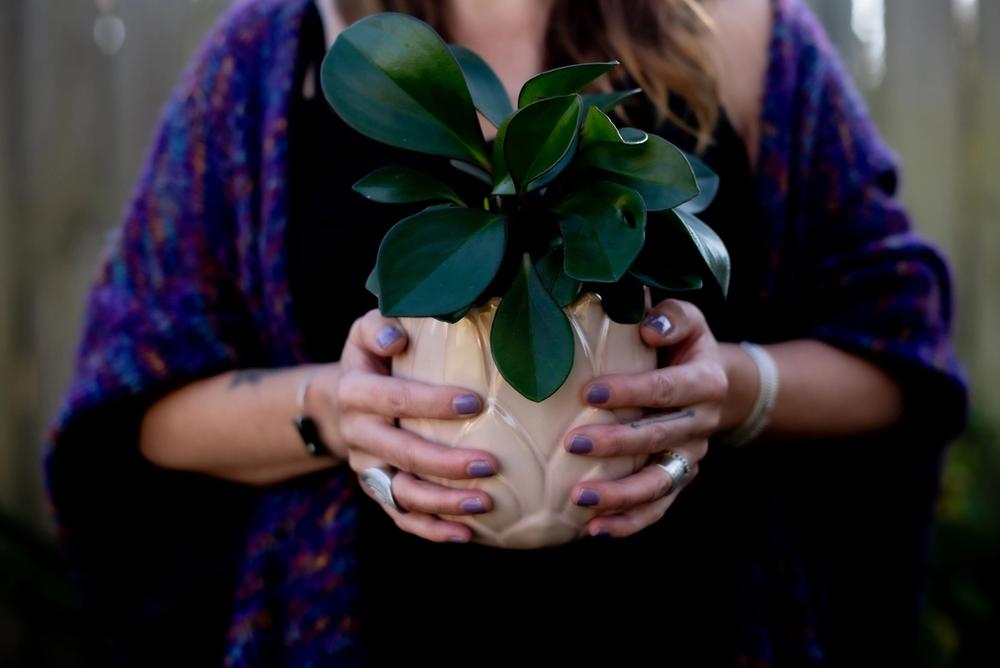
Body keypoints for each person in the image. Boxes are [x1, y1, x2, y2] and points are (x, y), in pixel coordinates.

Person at [45, 0, 969, 665]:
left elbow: (900, 355)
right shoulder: (271, 56)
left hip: (701, 620)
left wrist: (731, 389)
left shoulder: (745, 34)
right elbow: (137, 408)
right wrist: (332, 408)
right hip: (351, 627)